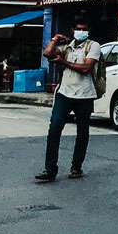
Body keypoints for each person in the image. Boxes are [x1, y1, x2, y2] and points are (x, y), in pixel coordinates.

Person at [37, 18, 102, 181]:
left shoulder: (93, 46)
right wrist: (55, 39)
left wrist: (63, 62)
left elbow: (87, 68)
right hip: (64, 93)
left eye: (84, 29)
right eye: (78, 29)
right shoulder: (67, 47)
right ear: (72, 31)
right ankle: (50, 169)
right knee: (54, 130)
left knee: (82, 133)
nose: (81, 31)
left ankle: (76, 166)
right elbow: (48, 54)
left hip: (85, 95)